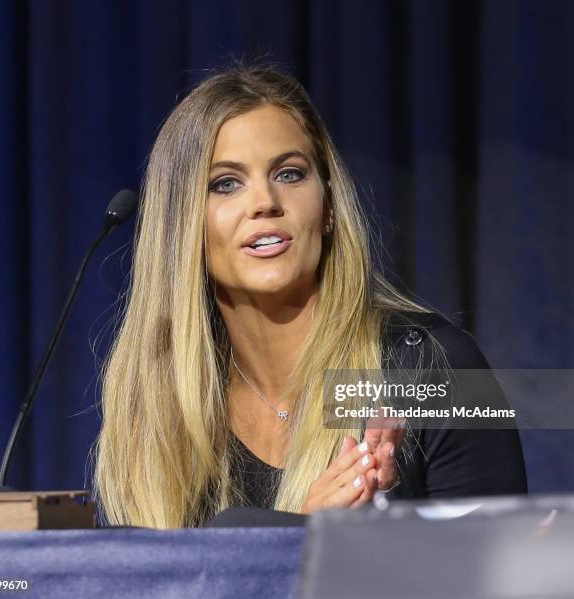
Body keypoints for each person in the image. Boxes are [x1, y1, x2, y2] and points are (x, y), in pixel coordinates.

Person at [92, 62, 527, 529]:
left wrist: (387, 534)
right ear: (182, 229)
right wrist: (298, 536)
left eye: (290, 174)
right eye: (226, 184)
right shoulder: (156, 402)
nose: (265, 202)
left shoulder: (436, 370)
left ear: (328, 210)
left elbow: (501, 578)